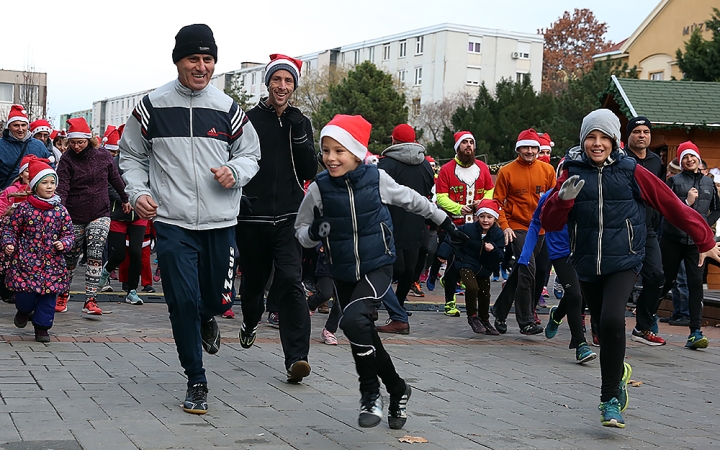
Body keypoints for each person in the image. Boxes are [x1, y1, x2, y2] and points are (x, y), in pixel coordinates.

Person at [541, 109, 720, 429]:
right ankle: (618, 372)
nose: (597, 144)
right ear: (583, 141)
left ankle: (609, 399)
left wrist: (704, 237)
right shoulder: (570, 171)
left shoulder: (631, 171)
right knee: (600, 328)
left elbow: (671, 204)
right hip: (586, 263)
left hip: (624, 259)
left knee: (612, 319)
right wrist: (562, 201)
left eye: (603, 137)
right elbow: (551, 222)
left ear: (614, 141)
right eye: (591, 138)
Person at [120, 24, 261, 415]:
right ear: (178, 60)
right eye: (193, 59)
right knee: (180, 299)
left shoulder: (228, 108)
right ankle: (195, 379)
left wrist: (236, 171)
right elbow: (130, 157)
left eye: (208, 59)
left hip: (220, 221)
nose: (201, 67)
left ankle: (206, 317)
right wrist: (139, 192)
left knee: (219, 299)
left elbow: (251, 154)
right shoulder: (151, 106)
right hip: (173, 221)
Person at [295, 114, 467, 430]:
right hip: (342, 271)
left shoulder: (376, 179)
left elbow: (413, 200)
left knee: (352, 321)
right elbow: (301, 230)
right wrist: (314, 234)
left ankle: (370, 394)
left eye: (339, 151)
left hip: (377, 265)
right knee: (363, 331)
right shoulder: (319, 189)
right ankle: (398, 388)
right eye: (326, 150)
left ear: (357, 152)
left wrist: (444, 222)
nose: (331, 158)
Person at [235, 54, 317, 383]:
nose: (282, 86)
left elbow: (310, 170)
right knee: (254, 286)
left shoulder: (301, 121)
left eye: (288, 81)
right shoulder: (248, 119)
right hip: (252, 218)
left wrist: (298, 132)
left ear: (294, 86)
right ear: (268, 83)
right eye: (277, 80)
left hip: (289, 217)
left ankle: (296, 359)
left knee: (292, 283)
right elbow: (236, 161)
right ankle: (250, 322)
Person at [55, 118, 129, 315]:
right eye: (72, 142)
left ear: (89, 139)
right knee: (71, 257)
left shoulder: (103, 155)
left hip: (100, 213)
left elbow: (115, 179)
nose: (77, 146)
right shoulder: (67, 159)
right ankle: (63, 293)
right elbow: (62, 187)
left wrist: (125, 198)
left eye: (81, 142)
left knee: (96, 253)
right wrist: (60, 211)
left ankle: (90, 299)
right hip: (74, 214)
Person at [491, 129, 556, 335]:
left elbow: (554, 200)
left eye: (533, 147)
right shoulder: (506, 171)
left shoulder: (547, 170)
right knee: (528, 270)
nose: (529, 151)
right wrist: (505, 226)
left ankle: (499, 311)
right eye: (525, 147)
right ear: (518, 149)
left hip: (542, 228)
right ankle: (526, 321)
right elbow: (497, 202)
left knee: (525, 271)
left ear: (538, 149)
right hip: (517, 228)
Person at [3, 158, 74, 342]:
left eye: (52, 183)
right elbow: (11, 228)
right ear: (35, 186)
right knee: (25, 295)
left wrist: (64, 243)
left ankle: (42, 328)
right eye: (44, 183)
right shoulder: (24, 209)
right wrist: (9, 243)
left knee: (48, 298)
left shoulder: (61, 210)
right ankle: (24, 310)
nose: (50, 187)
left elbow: (69, 233)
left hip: (53, 264)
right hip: (27, 262)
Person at [658, 141, 720, 349]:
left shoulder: (709, 183)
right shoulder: (674, 182)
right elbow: (666, 210)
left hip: (695, 243)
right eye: (685, 157)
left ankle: (695, 332)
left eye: (692, 156)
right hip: (672, 240)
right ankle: (647, 321)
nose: (689, 160)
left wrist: (704, 225)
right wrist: (687, 203)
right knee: (666, 281)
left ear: (699, 158)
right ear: (680, 161)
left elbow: (717, 209)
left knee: (695, 285)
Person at [376, 124, 434, 334]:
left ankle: (379, 308)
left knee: (384, 270)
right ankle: (398, 309)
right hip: (415, 224)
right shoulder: (426, 165)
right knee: (409, 271)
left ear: (393, 140)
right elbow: (428, 190)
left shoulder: (385, 165)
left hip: (388, 223)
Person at [431, 131, 494, 316]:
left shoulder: (482, 167)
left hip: (476, 226)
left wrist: (481, 205)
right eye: (464, 143)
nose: (468, 146)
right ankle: (450, 302)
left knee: (472, 262)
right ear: (458, 147)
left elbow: (490, 190)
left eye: (471, 143)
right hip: (453, 225)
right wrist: (459, 208)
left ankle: (456, 284)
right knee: (452, 264)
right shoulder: (447, 170)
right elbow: (441, 197)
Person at [623, 117, 666, 346]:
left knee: (657, 275)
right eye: (637, 131)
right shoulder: (620, 159)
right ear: (628, 135)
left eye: (646, 131)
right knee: (618, 280)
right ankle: (603, 327)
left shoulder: (655, 161)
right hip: (622, 228)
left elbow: (660, 192)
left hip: (647, 229)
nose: (642, 135)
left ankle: (642, 326)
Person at [436, 199, 504, 334]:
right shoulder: (468, 229)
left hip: (484, 267)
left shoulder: (497, 234)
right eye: (482, 217)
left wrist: (494, 249)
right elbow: (452, 238)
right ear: (477, 217)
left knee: (485, 294)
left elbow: (501, 255)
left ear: (495, 218)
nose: (485, 220)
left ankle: (484, 320)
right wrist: (443, 254)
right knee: (472, 287)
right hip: (465, 262)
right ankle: (472, 317)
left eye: (489, 217)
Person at [98, 126, 147, 305]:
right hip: (118, 212)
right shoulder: (114, 162)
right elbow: (108, 185)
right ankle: (106, 271)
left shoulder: (148, 162)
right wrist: (124, 199)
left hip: (139, 213)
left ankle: (132, 290)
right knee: (118, 254)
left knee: (136, 253)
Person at [0, 105, 52, 190]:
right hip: (6, 198)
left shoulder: (39, 146)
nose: (20, 129)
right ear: (9, 126)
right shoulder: (1, 146)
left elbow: (50, 169)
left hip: (34, 197)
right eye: (16, 125)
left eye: (23, 125)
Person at [306, 243, 342, 344]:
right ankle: (309, 305)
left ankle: (329, 330)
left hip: (346, 268)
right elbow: (317, 231)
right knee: (325, 293)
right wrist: (321, 245)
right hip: (327, 266)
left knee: (341, 301)